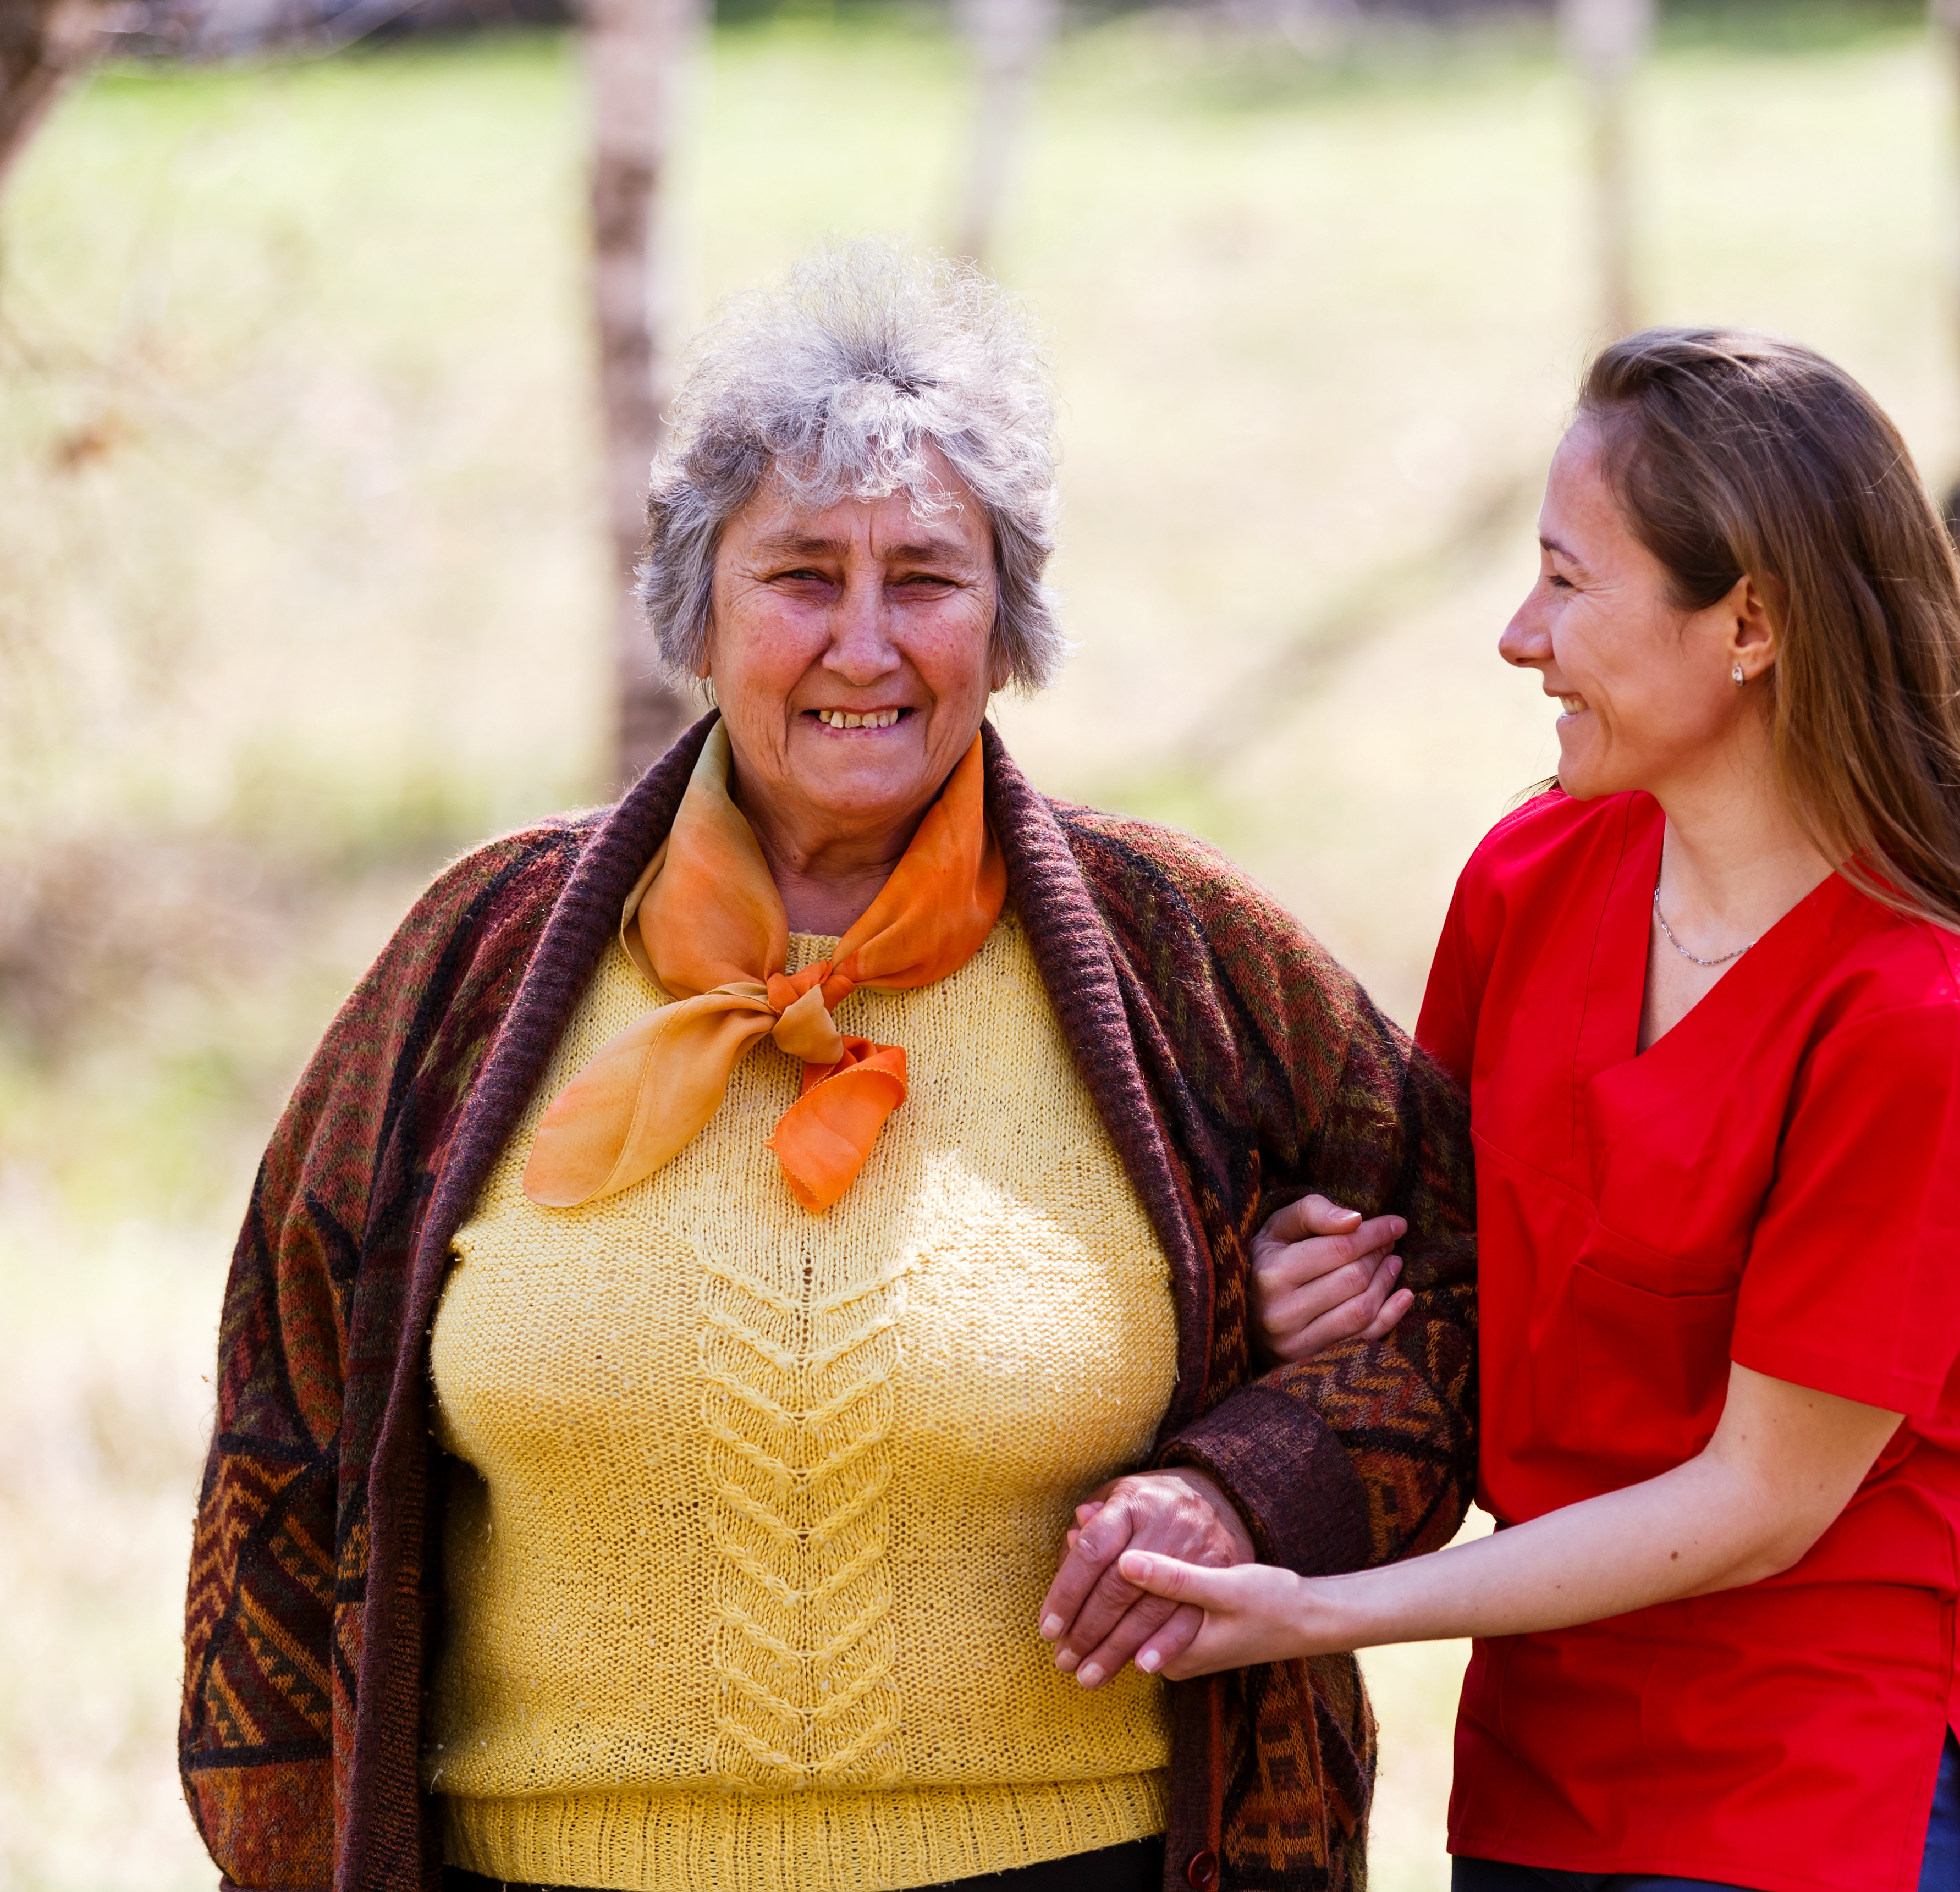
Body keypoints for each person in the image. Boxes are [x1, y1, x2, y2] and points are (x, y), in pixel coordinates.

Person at [177, 245, 1477, 1892]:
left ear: (1005, 628)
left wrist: (1255, 1473)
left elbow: (1477, 1280)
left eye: (926, 578)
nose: (865, 644)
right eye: (801, 573)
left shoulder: (1185, 955)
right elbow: (280, 1446)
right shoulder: (475, 964)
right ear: (697, 615)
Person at [1115, 328, 1960, 1892]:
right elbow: (1447, 1283)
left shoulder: (1922, 1024)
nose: (1515, 635)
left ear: (1747, 622)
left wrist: (1323, 1609)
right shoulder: (1529, 881)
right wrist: (1301, 1294)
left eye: (1565, 581)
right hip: (1540, 1772)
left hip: (1810, 1787)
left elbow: (1759, 1500)